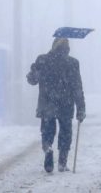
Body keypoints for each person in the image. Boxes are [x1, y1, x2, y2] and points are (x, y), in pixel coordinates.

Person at [27, 37, 86, 173]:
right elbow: (77, 87)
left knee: (47, 131)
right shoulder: (72, 63)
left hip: (47, 103)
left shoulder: (43, 60)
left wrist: (33, 70)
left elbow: (32, 80)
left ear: (53, 45)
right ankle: (62, 163)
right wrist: (81, 108)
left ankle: (48, 148)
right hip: (66, 104)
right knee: (65, 133)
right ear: (67, 48)